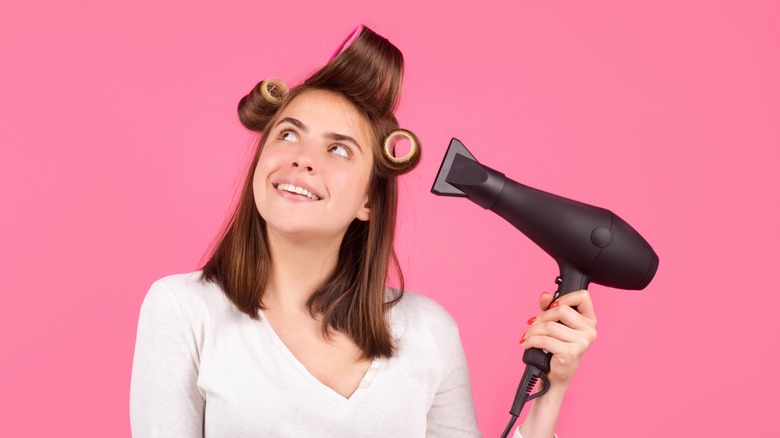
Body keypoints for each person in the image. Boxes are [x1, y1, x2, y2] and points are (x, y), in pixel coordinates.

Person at [129, 25, 597, 438]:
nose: (303, 158)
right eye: (288, 134)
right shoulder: (184, 312)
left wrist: (550, 392)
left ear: (369, 201)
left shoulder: (427, 331)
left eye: (338, 148)